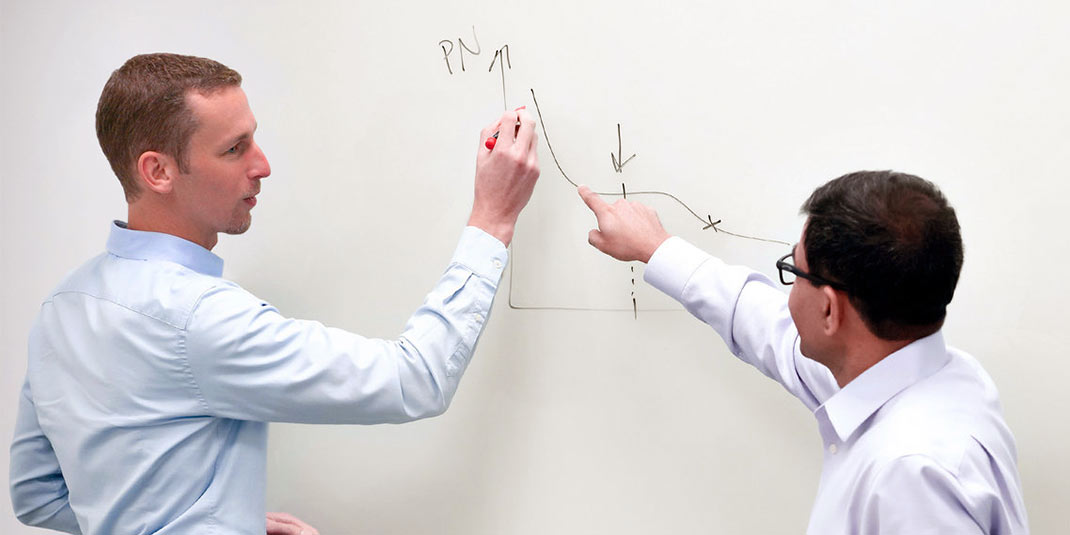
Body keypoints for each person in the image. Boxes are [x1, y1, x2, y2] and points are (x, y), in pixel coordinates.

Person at [9, 52, 539, 535]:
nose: (261, 165)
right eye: (235, 149)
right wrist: (491, 220)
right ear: (158, 171)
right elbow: (415, 380)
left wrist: (208, 519)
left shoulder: (63, 306)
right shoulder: (200, 319)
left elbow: (36, 496)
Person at [577, 171, 1028, 534]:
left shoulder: (912, 476)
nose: (787, 292)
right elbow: (765, 325)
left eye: (794, 271)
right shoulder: (929, 374)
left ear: (830, 310)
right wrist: (657, 249)